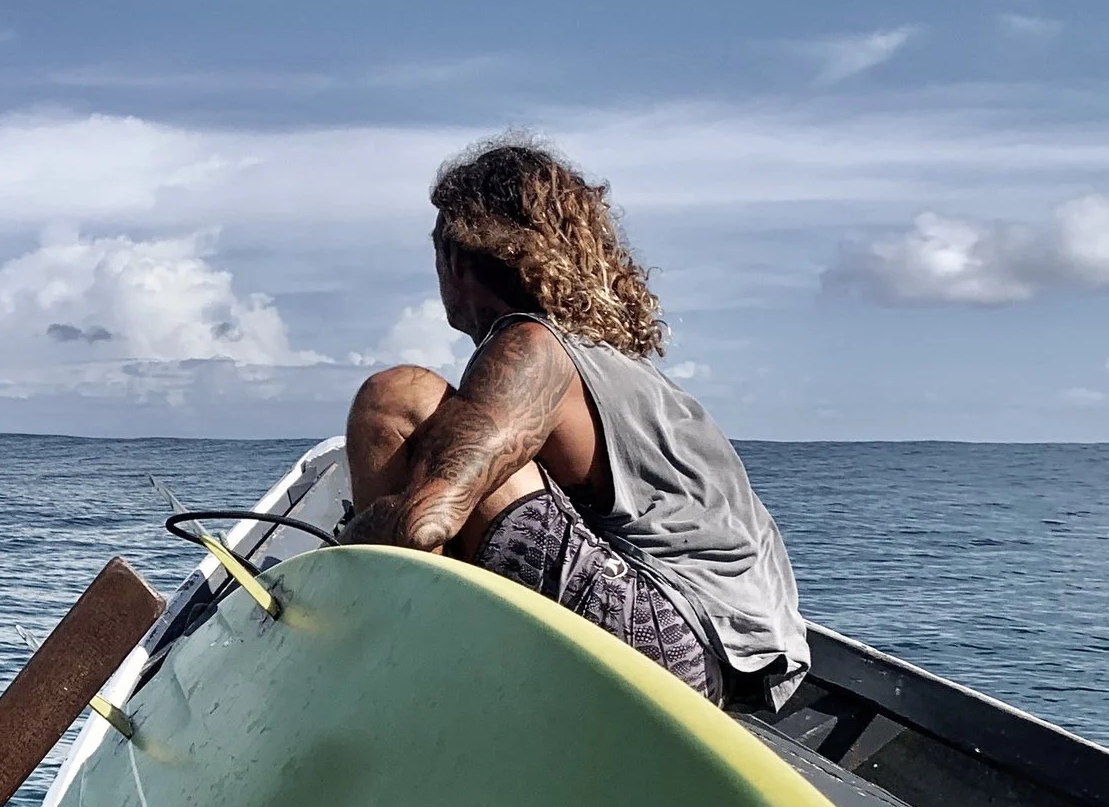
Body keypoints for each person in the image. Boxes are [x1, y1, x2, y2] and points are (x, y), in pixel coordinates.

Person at [343, 137, 808, 709]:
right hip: (740, 665)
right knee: (471, 451)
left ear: (460, 258)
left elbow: (426, 524)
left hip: (663, 649)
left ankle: (386, 670)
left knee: (401, 398)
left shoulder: (532, 349)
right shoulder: (614, 365)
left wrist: (346, 549)